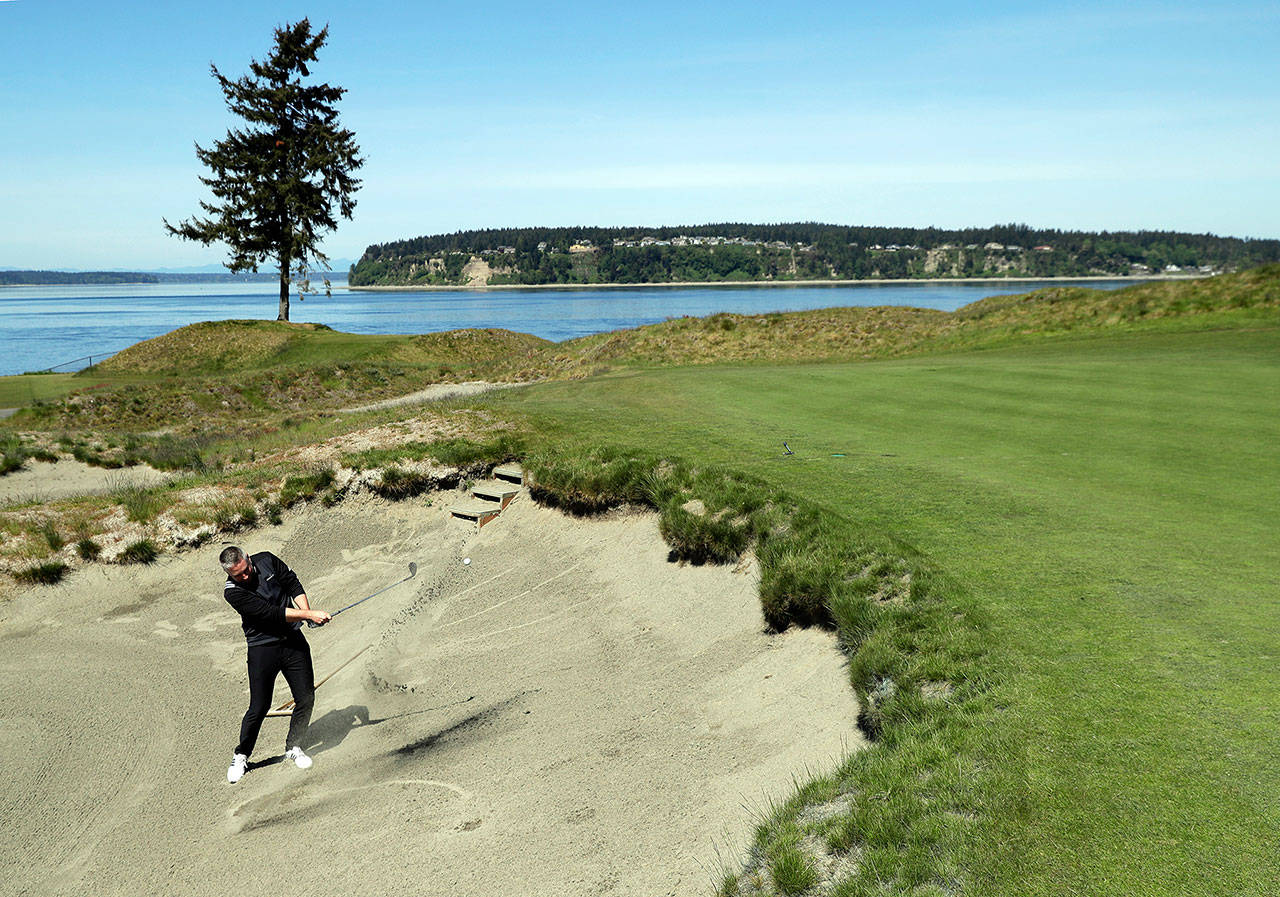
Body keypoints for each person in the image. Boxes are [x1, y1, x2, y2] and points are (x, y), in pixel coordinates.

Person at [219, 545, 331, 784]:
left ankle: (294, 746)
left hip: (292, 641)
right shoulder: (232, 592)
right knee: (259, 707)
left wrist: (306, 611)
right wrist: (309, 616)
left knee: (306, 697)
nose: (245, 577)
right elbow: (270, 613)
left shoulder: (267, 560)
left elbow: (292, 583)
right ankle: (241, 755)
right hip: (263, 648)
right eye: (238, 575)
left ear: (248, 559)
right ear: (230, 575)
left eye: (246, 571)